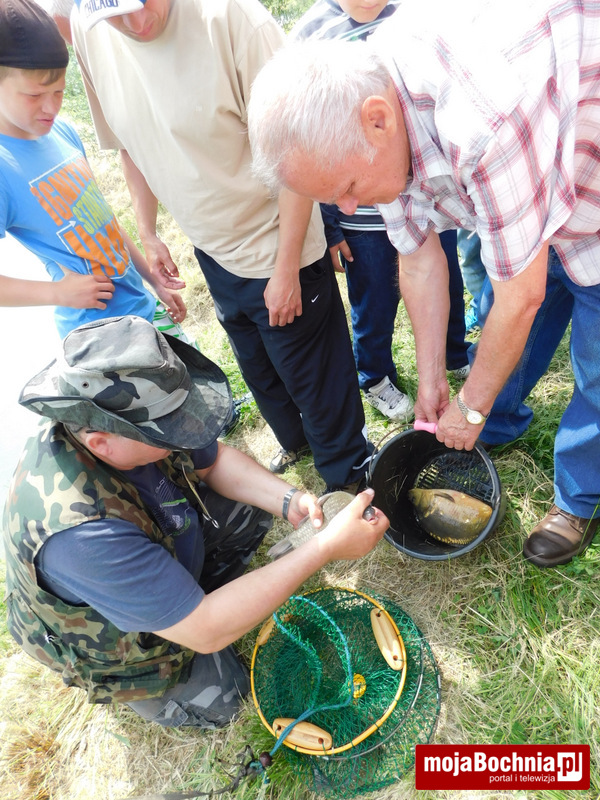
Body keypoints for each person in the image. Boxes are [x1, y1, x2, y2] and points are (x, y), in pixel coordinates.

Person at [247, 0, 600, 568]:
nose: (348, 206)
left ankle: (577, 497)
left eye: (349, 186)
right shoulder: (370, 105)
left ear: (379, 119)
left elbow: (520, 294)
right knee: (515, 319)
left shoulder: (482, 121)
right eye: (333, 198)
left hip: (588, 169)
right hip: (525, 182)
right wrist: (435, 380)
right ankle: (494, 423)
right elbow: (416, 258)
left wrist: (472, 402)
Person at [2, 314, 386, 727]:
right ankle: (172, 624)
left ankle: (183, 591)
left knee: (249, 510)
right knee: (228, 697)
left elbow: (214, 458)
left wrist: (288, 499)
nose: (183, 433)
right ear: (102, 443)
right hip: (119, 641)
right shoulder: (81, 536)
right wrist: (324, 548)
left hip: (146, 540)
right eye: (167, 431)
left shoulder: (121, 427)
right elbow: (207, 631)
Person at [69, 0, 373, 493]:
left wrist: (287, 266)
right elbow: (128, 144)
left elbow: (300, 149)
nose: (137, 23)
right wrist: (149, 232)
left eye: (145, 3)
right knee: (260, 368)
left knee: (316, 376)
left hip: (276, 241)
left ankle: (348, 474)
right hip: (211, 246)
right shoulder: (90, 30)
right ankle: (297, 444)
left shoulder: (233, 20)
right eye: (117, 14)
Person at [291, 0, 469, 423]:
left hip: (427, 197)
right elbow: (310, 151)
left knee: (448, 279)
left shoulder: (413, 14)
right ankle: (374, 376)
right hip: (363, 227)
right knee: (374, 302)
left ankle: (455, 352)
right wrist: (334, 225)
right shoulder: (312, 31)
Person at [0, 0, 188, 343]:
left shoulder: (62, 132)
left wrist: (153, 279)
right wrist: (57, 293)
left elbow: (101, 220)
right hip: (100, 338)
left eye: (58, 91)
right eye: (34, 94)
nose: (51, 106)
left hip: (145, 311)